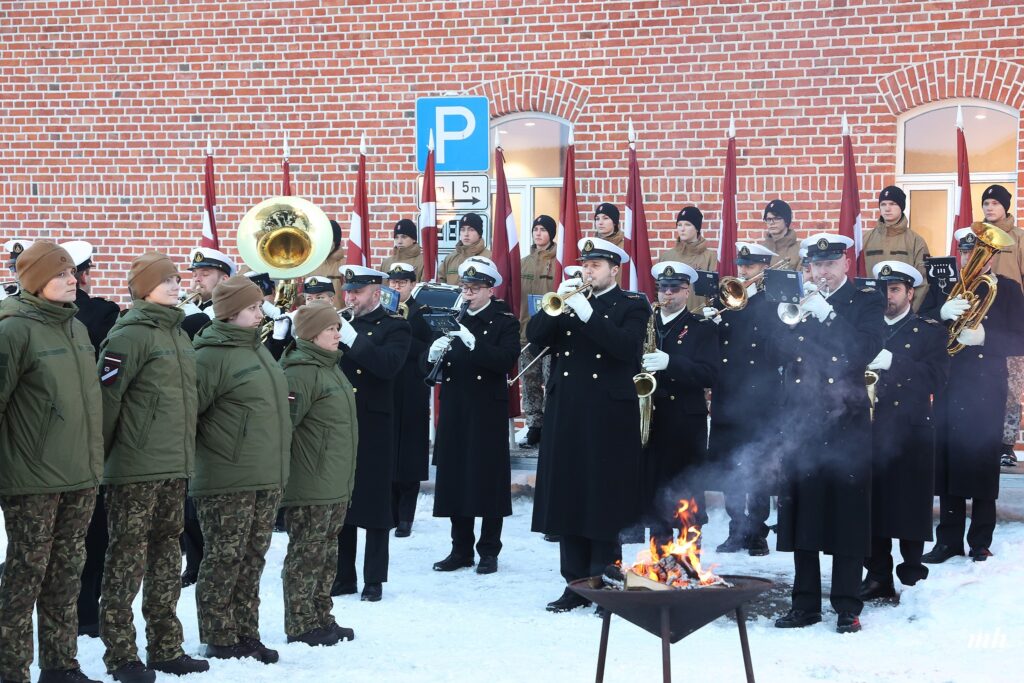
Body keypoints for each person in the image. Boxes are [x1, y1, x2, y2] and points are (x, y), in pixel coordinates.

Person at [96, 253, 209, 682]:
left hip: (173, 466)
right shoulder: (128, 336)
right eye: (166, 280)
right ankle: (121, 654)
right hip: (135, 468)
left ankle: (166, 647)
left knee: (166, 557)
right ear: (143, 287)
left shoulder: (177, 334)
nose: (177, 284)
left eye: (177, 278)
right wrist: (101, 461)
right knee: (125, 560)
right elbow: (108, 402)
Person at [769, 233, 884, 634]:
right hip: (802, 422)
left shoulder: (866, 300)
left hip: (846, 422)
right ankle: (804, 604)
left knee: (848, 517)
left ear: (846, 264)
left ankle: (847, 605)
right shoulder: (801, 301)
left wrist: (829, 316)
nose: (822, 271)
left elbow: (864, 349)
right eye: (816, 265)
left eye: (830, 264)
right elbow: (779, 353)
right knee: (804, 514)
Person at [0, 241, 104, 683]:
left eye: (72, 273)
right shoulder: (13, 329)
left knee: (66, 575)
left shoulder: (76, 328)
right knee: (26, 577)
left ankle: (61, 665)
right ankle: (11, 669)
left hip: (79, 474)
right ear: (36, 280)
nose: (71, 280)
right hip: (32, 478)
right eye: (60, 274)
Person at [527, 237, 648, 612]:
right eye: (585, 264)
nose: (588, 271)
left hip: (607, 415)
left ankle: (605, 579)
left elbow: (626, 348)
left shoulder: (632, 304)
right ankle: (575, 582)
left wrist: (587, 313)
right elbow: (534, 339)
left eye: (596, 265)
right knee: (568, 495)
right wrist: (556, 307)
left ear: (615, 269)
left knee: (602, 497)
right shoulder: (569, 299)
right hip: (567, 411)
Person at [192, 276, 291, 663]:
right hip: (227, 476)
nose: (260, 311)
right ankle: (218, 634)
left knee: (252, 558)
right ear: (231, 312)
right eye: (252, 307)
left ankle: (245, 631)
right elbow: (191, 414)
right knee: (224, 556)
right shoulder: (210, 354)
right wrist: (221, 448)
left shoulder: (257, 348)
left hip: (264, 473)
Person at [921, 226, 1024, 564]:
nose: (971, 258)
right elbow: (918, 328)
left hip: (986, 386)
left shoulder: (1007, 290)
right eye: (966, 252)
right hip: (950, 385)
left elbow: (1020, 339)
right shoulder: (945, 288)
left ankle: (980, 539)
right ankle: (947, 540)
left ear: (992, 255)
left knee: (982, 462)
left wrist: (985, 339)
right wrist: (940, 314)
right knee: (947, 463)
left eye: (978, 251)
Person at [859, 261, 948, 601]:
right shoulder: (866, 329)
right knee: (873, 506)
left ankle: (912, 577)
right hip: (871, 428)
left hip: (910, 429)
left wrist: (895, 363)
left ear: (910, 292)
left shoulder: (929, 330)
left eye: (895, 289)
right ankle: (877, 575)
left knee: (910, 506)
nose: (888, 296)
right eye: (883, 289)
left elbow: (937, 379)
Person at [430, 259, 520, 574]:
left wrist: (472, 342)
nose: (468, 294)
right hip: (456, 405)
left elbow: (504, 360)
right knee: (456, 478)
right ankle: (460, 548)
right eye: (465, 288)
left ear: (489, 289)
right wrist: (433, 353)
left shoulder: (504, 319)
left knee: (488, 480)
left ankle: (489, 551)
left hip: (486, 409)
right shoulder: (455, 315)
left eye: (474, 289)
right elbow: (433, 366)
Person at [279, 302, 358, 647]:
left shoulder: (329, 367)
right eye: (331, 329)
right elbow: (285, 427)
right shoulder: (300, 372)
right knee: (306, 554)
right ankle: (300, 622)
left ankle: (321, 616)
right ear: (311, 334)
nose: (338, 334)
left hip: (334, 479)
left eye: (337, 327)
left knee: (326, 554)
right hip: (311, 480)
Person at [333, 265, 412, 602]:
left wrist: (351, 340)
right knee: (342, 499)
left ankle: (374, 578)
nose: (350, 297)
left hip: (375, 422)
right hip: (339, 421)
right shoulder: (337, 323)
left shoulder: (396, 326)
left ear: (376, 294)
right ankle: (343, 576)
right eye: (348, 291)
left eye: (357, 292)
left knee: (376, 503)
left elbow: (387, 366)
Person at [59, 240, 119, 639]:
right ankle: (85, 612)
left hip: (61, 436)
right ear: (83, 273)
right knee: (93, 529)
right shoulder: (103, 311)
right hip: (94, 433)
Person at [706, 243, 783, 556]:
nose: (743, 272)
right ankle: (736, 527)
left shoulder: (773, 301)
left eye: (750, 267)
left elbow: (777, 348)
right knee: (729, 464)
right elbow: (714, 350)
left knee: (759, 466)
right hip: (728, 393)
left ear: (764, 268)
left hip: (761, 395)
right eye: (741, 266)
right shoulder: (725, 299)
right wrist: (711, 325)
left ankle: (757, 531)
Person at [639, 262, 718, 539]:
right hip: (652, 420)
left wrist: (670, 363)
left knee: (687, 493)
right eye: (662, 288)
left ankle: (688, 563)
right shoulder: (646, 324)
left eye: (674, 288)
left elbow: (710, 374)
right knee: (655, 491)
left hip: (685, 422)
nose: (667, 294)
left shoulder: (701, 328)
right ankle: (658, 560)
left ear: (687, 292)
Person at [179, 248, 236, 587]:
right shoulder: (190, 311)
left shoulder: (228, 315)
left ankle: (211, 559)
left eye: (205, 273)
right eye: (195, 273)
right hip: (189, 406)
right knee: (188, 494)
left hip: (217, 411)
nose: (196, 278)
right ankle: (193, 559)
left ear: (224, 278)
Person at [975, 185, 1024, 467]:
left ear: (1006, 206)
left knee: (1011, 386)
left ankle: (1006, 444)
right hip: (979, 317)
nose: (990, 208)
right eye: (986, 203)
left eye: (995, 203)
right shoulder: (976, 236)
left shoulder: (1018, 239)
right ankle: (980, 437)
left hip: (1010, 317)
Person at [386, 263, 432, 538]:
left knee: (410, 453)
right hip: (388, 386)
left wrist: (401, 332)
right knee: (389, 449)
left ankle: (406, 516)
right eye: (392, 283)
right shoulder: (383, 312)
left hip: (412, 387)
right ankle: (390, 511)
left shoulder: (422, 313)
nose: (396, 288)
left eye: (401, 283)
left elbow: (427, 350)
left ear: (412, 285)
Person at [518, 215, 558, 448]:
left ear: (551, 234)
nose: (538, 233)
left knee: (549, 379)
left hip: (551, 334)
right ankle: (534, 426)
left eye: (543, 230)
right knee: (530, 382)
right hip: (526, 331)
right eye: (535, 229)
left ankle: (551, 424)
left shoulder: (558, 262)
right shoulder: (523, 262)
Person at [861, 186, 930, 309]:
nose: (887, 208)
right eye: (883, 204)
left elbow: (923, 283)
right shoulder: (865, 239)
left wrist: (909, 314)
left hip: (902, 312)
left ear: (901, 207)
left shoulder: (916, 241)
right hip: (869, 310)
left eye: (892, 204)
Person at [658, 207, 718, 312]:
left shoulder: (710, 257)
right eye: (679, 225)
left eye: (688, 225)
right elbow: (657, 291)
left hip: (699, 319)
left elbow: (714, 294)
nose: (682, 229)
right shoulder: (667, 257)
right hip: (671, 318)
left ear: (697, 228)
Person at [439, 213, 490, 285]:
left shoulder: (489, 258)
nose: (466, 234)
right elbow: (439, 284)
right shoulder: (450, 258)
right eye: (462, 230)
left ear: (479, 233)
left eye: (471, 230)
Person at [759, 199, 802, 269]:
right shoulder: (760, 249)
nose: (771, 223)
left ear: (786, 220)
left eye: (776, 218)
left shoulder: (799, 250)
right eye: (768, 219)